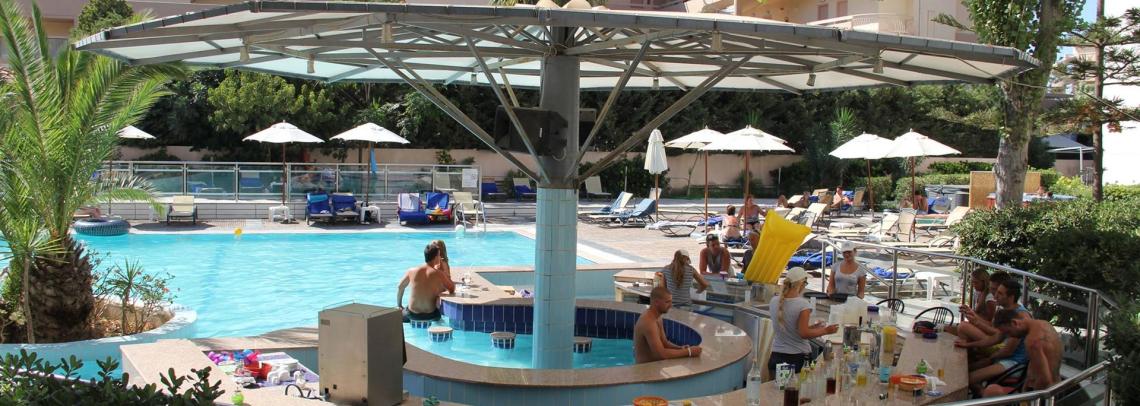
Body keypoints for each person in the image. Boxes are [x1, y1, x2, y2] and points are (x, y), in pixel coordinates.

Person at [955, 280, 1033, 393]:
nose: (995, 296)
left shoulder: (1020, 316)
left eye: (1000, 293)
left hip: (1014, 363)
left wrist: (989, 359)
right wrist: (967, 345)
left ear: (1011, 297)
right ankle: (984, 395)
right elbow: (994, 338)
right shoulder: (1006, 311)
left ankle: (988, 397)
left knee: (967, 379)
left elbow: (1008, 351)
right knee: (964, 370)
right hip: (1002, 357)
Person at [768, 267, 839, 375]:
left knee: (775, 386)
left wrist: (813, 328)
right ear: (801, 284)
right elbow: (804, 334)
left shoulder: (774, 301)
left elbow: (791, 329)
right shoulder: (802, 305)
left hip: (776, 357)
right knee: (796, 387)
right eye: (805, 283)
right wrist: (826, 330)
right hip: (796, 359)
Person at [982, 313, 1063, 396]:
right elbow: (1037, 364)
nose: (1010, 336)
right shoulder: (1044, 324)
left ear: (1014, 323)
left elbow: (1045, 379)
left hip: (1044, 393)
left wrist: (1028, 399)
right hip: (1056, 386)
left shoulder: (1032, 341)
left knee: (991, 391)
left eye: (1008, 332)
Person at [633, 286, 703, 363]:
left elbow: (664, 342)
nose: (670, 305)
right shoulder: (648, 322)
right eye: (667, 302)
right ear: (656, 302)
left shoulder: (657, 317)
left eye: (671, 301)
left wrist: (680, 348)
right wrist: (689, 352)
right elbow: (660, 354)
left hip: (654, 365)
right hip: (644, 368)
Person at [396, 243, 456, 322]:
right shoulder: (438, 273)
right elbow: (452, 289)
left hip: (412, 314)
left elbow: (400, 287)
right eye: (439, 255)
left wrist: (399, 305)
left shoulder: (411, 271)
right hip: (431, 315)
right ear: (436, 257)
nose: (440, 257)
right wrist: (443, 272)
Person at [949, 271, 1013, 342]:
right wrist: (972, 315)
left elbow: (997, 333)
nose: (994, 295)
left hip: (995, 341)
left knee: (962, 327)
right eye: (991, 288)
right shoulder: (1001, 305)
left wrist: (976, 321)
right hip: (992, 337)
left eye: (995, 290)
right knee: (960, 328)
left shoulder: (1013, 311)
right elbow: (994, 326)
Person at [945, 269, 998, 336]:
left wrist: (971, 313)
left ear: (984, 282)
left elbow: (991, 322)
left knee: (948, 329)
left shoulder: (989, 298)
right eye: (972, 282)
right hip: (977, 326)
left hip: (984, 330)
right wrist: (968, 312)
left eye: (976, 282)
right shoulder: (978, 293)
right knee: (947, 328)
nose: (973, 285)